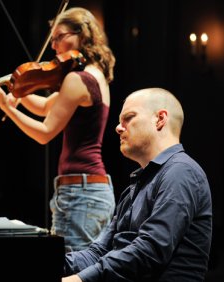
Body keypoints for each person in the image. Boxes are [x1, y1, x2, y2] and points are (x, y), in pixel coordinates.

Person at [0, 7, 116, 252]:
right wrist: (17, 92)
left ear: (82, 35)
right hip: (90, 190)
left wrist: (6, 105)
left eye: (59, 37)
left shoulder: (78, 79)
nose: (53, 46)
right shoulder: (92, 75)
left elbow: (45, 132)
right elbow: (46, 106)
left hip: (81, 192)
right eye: (52, 38)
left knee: (70, 271)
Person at [62, 88, 213, 281]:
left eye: (129, 117)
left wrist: (80, 279)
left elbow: (150, 250)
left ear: (160, 119)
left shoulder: (181, 172)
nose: (118, 127)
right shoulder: (137, 185)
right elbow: (97, 252)